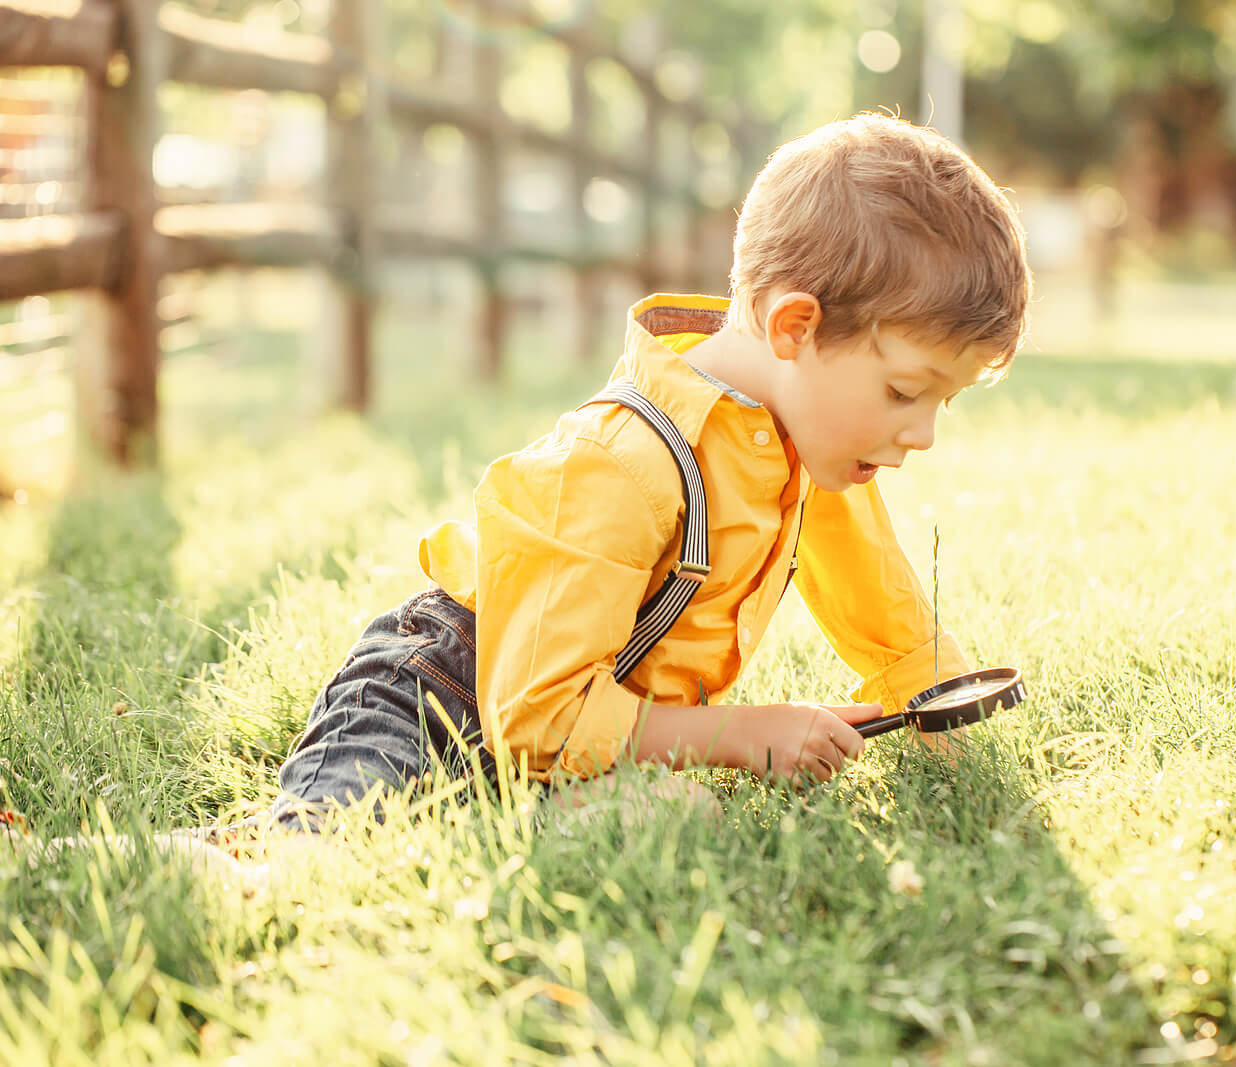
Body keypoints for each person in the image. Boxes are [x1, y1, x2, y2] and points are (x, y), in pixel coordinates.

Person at [267, 112, 1033, 830]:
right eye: (904, 391)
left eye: (943, 402)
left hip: (579, 724)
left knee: (676, 808)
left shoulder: (814, 454)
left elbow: (889, 621)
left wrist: (947, 719)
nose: (924, 434)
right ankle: (205, 865)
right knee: (325, 839)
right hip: (441, 691)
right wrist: (737, 732)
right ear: (795, 327)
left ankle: (529, 813)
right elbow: (535, 709)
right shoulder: (623, 462)